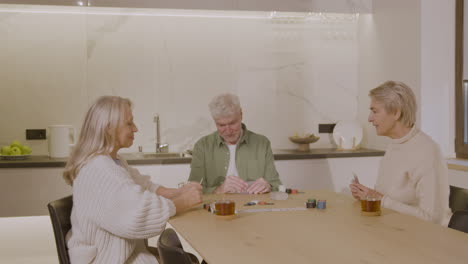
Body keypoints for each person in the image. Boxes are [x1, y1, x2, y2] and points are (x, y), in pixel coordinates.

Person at [63, 96, 202, 263]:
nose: (135, 129)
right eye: (129, 123)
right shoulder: (98, 169)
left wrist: (179, 192)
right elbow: (139, 213)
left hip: (123, 253)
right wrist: (184, 201)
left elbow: (145, 187)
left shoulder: (114, 161)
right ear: (109, 128)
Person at [349, 81, 452, 226]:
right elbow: (390, 199)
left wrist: (380, 199)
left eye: (375, 111)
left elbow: (432, 219)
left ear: (396, 112)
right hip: (393, 230)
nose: (370, 118)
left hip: (423, 240)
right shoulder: (394, 145)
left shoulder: (427, 151)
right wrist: (367, 196)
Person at [188, 93, 282, 194]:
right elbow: (192, 190)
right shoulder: (202, 146)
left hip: (254, 205)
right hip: (217, 207)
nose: (228, 131)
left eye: (232, 123)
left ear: (241, 114)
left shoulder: (262, 143)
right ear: (214, 121)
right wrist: (218, 190)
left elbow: (276, 185)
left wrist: (268, 186)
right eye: (221, 125)